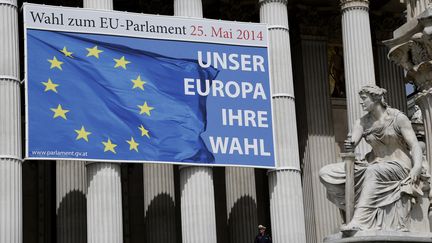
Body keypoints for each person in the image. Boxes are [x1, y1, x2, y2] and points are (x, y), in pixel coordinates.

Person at [320, 85, 429, 232]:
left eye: (364, 99)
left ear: (376, 99)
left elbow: (415, 145)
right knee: (326, 172)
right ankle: (355, 208)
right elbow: (352, 142)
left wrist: (416, 167)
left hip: (399, 165)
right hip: (374, 164)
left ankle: (360, 220)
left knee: (373, 171)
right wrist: (350, 145)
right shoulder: (362, 122)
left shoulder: (398, 118)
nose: (361, 102)